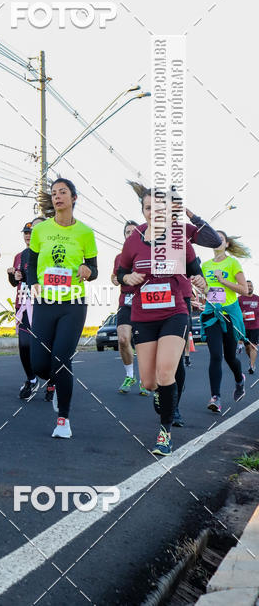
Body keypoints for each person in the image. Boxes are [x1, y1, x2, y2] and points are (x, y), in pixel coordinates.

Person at [117, 189, 205, 456]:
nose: (153, 213)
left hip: (174, 312)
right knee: (149, 382)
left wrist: (200, 280)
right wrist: (126, 278)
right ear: (142, 211)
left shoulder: (179, 239)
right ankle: (161, 394)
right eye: (147, 208)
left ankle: (164, 433)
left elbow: (195, 270)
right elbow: (121, 271)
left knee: (166, 372)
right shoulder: (133, 240)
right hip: (144, 315)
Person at [128, 181, 221, 426]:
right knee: (151, 376)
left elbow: (212, 240)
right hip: (147, 307)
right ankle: (161, 392)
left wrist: (189, 212)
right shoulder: (142, 233)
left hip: (179, 299)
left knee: (174, 361)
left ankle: (174, 408)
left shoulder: (182, 228)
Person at [27, 178, 98, 439]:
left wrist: (87, 270)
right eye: (54, 193)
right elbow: (32, 263)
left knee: (60, 359)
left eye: (63, 192)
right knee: (39, 365)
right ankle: (56, 384)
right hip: (45, 302)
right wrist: (33, 283)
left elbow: (95, 269)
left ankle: (63, 420)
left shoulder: (85, 233)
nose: (57, 197)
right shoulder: (40, 230)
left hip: (73, 303)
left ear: (74, 198)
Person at [200, 231, 249, 413]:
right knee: (215, 355)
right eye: (214, 238)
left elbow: (244, 290)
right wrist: (201, 289)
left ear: (227, 244)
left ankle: (239, 379)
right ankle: (216, 397)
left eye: (220, 239)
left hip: (230, 314)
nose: (216, 241)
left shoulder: (233, 263)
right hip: (212, 313)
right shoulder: (205, 266)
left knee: (230, 357)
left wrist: (223, 280)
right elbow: (207, 290)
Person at [111, 220, 149, 396]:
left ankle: (145, 380)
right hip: (125, 302)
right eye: (127, 232)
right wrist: (115, 279)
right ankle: (130, 376)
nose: (130, 234)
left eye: (134, 232)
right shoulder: (119, 257)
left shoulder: (148, 253)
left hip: (145, 303)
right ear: (124, 236)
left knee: (143, 344)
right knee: (123, 339)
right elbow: (115, 276)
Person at [7, 218, 43, 399]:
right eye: (26, 233)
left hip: (44, 304)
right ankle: (31, 379)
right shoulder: (20, 255)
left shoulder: (46, 251)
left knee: (46, 346)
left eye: (31, 233)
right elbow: (16, 282)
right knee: (24, 344)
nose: (28, 236)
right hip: (24, 303)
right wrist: (14, 275)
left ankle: (52, 381)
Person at [240, 280, 259, 375]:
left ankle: (252, 365)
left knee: (253, 346)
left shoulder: (257, 298)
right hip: (244, 327)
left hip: (255, 326)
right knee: (247, 347)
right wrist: (241, 315)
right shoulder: (240, 299)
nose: (249, 287)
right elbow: (235, 312)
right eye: (247, 286)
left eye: (251, 286)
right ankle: (251, 360)